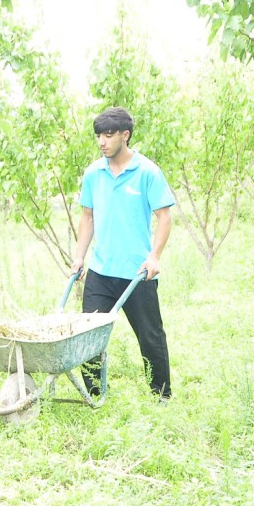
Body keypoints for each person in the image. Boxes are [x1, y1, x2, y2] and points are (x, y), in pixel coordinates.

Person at [68, 107, 176, 401]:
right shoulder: (93, 173)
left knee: (150, 337)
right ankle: (94, 394)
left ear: (125, 136)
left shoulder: (147, 172)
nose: (102, 141)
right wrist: (79, 257)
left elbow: (165, 217)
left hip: (137, 273)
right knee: (88, 336)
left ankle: (161, 395)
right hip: (100, 272)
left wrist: (154, 257)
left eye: (108, 135)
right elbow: (87, 217)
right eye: (99, 136)